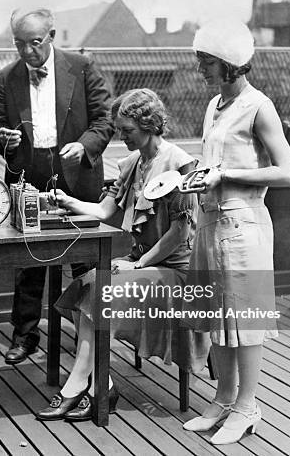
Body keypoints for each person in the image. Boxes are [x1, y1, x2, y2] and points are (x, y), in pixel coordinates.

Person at [35, 88, 210, 421]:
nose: (122, 137)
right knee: (87, 284)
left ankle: (78, 386)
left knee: (102, 290)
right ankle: (104, 383)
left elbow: (180, 233)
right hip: (141, 264)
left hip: (177, 272)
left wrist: (138, 263)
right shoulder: (133, 163)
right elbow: (104, 210)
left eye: (127, 131)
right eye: (119, 130)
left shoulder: (179, 164)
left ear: (150, 124)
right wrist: (68, 202)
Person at [181, 20, 290, 444]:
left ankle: (248, 407)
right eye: (199, 60)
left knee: (245, 321)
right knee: (217, 318)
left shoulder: (259, 106)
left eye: (206, 62)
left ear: (230, 64)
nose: (200, 69)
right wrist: (195, 174)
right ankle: (223, 399)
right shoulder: (215, 106)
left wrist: (226, 173)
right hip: (211, 224)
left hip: (243, 227)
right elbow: (213, 162)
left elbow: (287, 172)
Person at [0, 7, 114, 364]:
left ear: (53, 36)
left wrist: (85, 145)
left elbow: (105, 120)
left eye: (35, 43)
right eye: (20, 45)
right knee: (28, 261)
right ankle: (25, 335)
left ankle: (87, 339)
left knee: (84, 263)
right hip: (28, 176)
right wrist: (5, 140)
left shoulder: (82, 66)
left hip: (77, 175)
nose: (28, 52)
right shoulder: (8, 77)